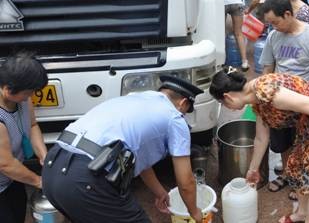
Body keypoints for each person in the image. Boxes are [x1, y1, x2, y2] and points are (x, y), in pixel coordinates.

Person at [42, 75, 204, 223]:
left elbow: (141, 159)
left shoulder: (131, 101)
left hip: (51, 170)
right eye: (185, 111)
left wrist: (160, 192)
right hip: (87, 179)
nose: (184, 115)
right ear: (182, 103)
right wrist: (194, 212)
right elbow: (186, 182)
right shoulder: (174, 118)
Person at [209, 68, 309, 223]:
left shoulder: (271, 93)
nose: (227, 107)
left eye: (222, 103)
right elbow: (261, 138)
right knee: (296, 165)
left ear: (227, 97)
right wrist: (253, 170)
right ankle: (302, 213)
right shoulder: (257, 99)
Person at [258, 0, 309, 200]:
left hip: (305, 102)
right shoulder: (273, 37)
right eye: (270, 24)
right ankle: (288, 175)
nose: (273, 27)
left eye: (275, 22)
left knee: (302, 142)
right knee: (282, 142)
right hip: (280, 100)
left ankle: (301, 178)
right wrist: (263, 96)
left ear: (287, 14)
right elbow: (267, 67)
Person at [0, 53, 48, 223]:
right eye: (28, 93)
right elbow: (5, 164)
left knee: (19, 212)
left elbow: (33, 125)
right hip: (4, 177)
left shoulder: (21, 99)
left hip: (13, 177)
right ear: (7, 90)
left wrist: (43, 155)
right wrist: (38, 181)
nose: (30, 97)